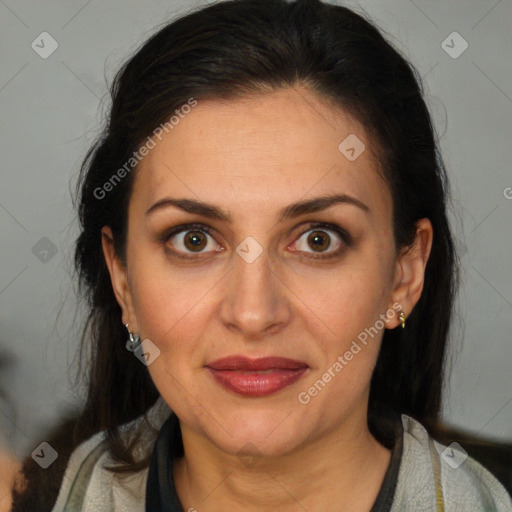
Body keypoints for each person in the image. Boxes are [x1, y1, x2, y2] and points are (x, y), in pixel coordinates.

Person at [10, 0, 512, 510]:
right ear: (122, 278)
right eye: (194, 239)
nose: (253, 314)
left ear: (405, 274)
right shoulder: (46, 492)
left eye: (319, 239)